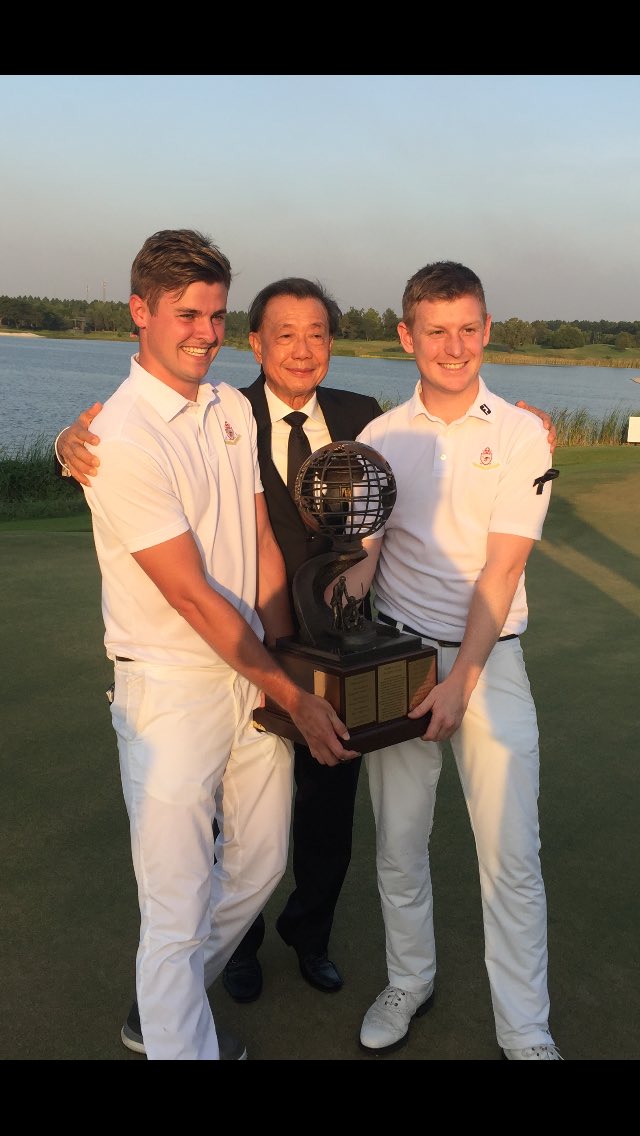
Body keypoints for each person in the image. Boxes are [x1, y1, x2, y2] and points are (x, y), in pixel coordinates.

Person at [56, 278, 557, 1010]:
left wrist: (526, 425)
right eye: (283, 334)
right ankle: (241, 956)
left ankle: (314, 939)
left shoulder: (366, 422)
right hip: (254, 650)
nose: (302, 349)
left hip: (366, 655)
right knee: (249, 829)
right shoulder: (224, 407)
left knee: (332, 807)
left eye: (318, 333)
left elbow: (396, 540)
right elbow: (134, 439)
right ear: (254, 343)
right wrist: (66, 445)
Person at [73, 230, 358, 1061]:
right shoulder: (121, 437)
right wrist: (296, 693)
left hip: (250, 674)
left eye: (217, 316)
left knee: (262, 861)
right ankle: (177, 1037)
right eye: (187, 314)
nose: (205, 332)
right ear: (141, 312)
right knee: (176, 900)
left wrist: (282, 662)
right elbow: (195, 596)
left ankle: (162, 1009)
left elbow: (262, 545)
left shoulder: (232, 409)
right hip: (171, 691)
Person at [333, 260, 562, 1060]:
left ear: (487, 328)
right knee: (399, 843)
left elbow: (503, 571)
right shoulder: (380, 438)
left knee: (511, 856)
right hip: (396, 656)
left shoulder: (523, 432)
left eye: (468, 328)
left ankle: (525, 1029)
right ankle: (410, 979)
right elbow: (368, 552)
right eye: (436, 331)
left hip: (487, 663)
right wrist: (340, 585)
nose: (454, 346)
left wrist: (462, 679)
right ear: (407, 336)